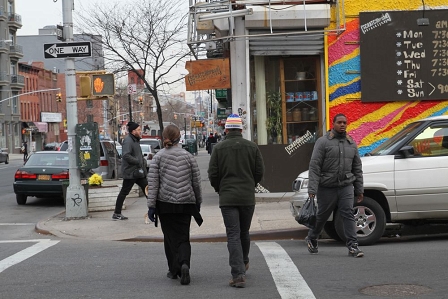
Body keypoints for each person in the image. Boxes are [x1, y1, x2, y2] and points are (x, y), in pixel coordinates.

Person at [208, 114, 265, 288]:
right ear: (241, 129)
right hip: (247, 197)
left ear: (226, 129)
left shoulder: (219, 148)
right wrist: (251, 184)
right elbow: (259, 172)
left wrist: (220, 189)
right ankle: (244, 261)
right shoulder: (252, 147)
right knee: (244, 232)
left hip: (228, 198)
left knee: (233, 234)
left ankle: (238, 274)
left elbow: (213, 174)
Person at [146, 124, 202, 285]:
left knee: (170, 237)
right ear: (179, 138)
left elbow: (153, 184)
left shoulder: (158, 157)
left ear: (164, 137)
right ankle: (185, 263)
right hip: (186, 202)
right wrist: (198, 201)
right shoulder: (188, 156)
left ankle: (174, 269)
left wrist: (151, 206)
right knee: (183, 236)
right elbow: (196, 182)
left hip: (165, 204)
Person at [305, 113, 364, 257]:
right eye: (339, 122)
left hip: (346, 186)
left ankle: (353, 246)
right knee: (322, 216)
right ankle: (312, 237)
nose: (342, 125)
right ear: (333, 123)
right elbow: (314, 166)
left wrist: (359, 189)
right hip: (326, 187)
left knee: (348, 213)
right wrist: (312, 189)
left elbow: (357, 167)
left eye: (345, 122)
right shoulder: (322, 142)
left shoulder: (351, 143)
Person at [112, 121, 148, 220]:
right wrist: (137, 161)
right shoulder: (128, 141)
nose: (140, 131)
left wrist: (142, 162)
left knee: (148, 190)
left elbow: (137, 154)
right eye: (138, 130)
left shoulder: (135, 140)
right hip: (131, 172)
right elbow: (126, 155)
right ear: (133, 131)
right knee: (124, 191)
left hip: (138, 172)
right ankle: (117, 213)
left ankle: (156, 210)